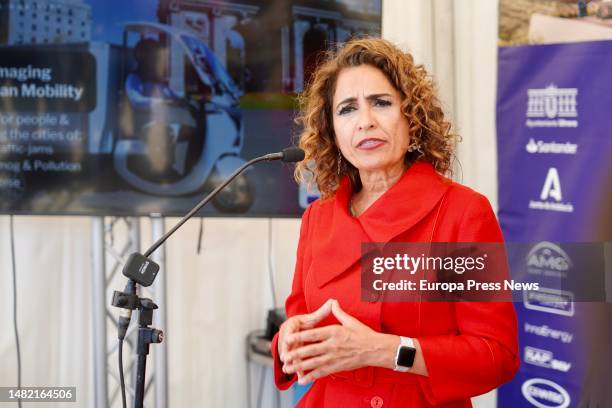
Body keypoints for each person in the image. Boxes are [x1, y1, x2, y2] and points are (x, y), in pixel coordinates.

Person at [270, 38, 520, 407]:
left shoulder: (462, 212)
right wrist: (288, 340)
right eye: (347, 109)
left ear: (412, 117)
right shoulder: (317, 217)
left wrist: (387, 351)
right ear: (332, 131)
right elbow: (300, 320)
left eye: (381, 103)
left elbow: (496, 355)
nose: (365, 121)